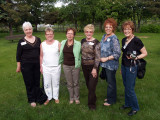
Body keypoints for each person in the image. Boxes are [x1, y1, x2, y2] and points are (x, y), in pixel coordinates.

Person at [16, 22, 48, 107]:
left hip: (37, 64)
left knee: (36, 82)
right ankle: (32, 99)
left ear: (32, 29)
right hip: (26, 66)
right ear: (24, 31)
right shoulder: (21, 41)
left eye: (30, 29)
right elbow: (18, 55)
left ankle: (38, 97)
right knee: (29, 82)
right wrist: (18, 66)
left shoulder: (38, 39)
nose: (28, 31)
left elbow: (41, 52)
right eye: (26, 30)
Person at [120, 21, 147, 116]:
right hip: (124, 66)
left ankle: (135, 108)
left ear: (132, 30)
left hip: (132, 67)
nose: (126, 31)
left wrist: (135, 57)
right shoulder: (123, 40)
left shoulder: (137, 40)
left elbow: (145, 53)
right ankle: (127, 104)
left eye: (128, 29)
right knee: (126, 86)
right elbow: (124, 54)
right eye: (125, 29)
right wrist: (121, 67)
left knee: (130, 88)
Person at [100, 18, 121, 106]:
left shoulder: (114, 38)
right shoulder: (104, 36)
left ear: (113, 28)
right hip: (104, 64)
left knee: (111, 83)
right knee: (109, 81)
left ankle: (111, 100)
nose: (108, 28)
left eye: (110, 27)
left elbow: (117, 53)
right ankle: (110, 96)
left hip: (111, 65)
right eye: (106, 27)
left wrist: (107, 58)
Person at [59, 28, 81, 104]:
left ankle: (76, 97)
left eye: (71, 33)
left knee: (76, 82)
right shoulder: (62, 43)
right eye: (68, 33)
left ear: (74, 35)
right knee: (69, 83)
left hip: (75, 66)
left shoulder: (78, 44)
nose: (70, 35)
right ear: (66, 34)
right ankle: (71, 98)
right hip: (66, 66)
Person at [81, 24, 100, 110]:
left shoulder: (96, 42)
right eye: (87, 31)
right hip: (84, 66)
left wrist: (95, 69)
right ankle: (93, 97)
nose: (88, 33)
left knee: (92, 86)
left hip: (93, 66)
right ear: (85, 32)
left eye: (90, 32)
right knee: (88, 85)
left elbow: (98, 57)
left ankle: (91, 105)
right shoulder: (82, 41)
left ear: (93, 32)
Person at [40, 27, 61, 104]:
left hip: (56, 67)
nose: (49, 35)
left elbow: (62, 54)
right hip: (46, 67)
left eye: (51, 34)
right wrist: (41, 66)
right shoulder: (42, 44)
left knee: (56, 83)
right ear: (45, 35)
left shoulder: (57, 43)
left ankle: (55, 97)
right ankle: (48, 97)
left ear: (53, 34)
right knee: (47, 84)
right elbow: (41, 56)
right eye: (48, 34)